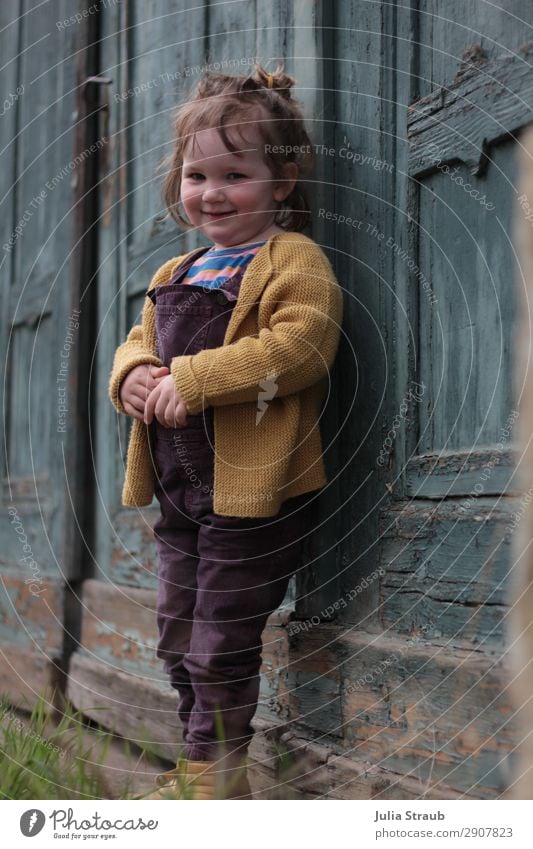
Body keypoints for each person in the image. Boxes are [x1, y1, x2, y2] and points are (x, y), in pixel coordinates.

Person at [108, 62, 343, 800]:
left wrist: (195, 380)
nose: (210, 192)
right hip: (180, 495)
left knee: (220, 639)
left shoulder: (290, 260)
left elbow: (300, 347)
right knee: (177, 634)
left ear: (282, 178)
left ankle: (216, 777)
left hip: (254, 497)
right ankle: (201, 767)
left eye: (232, 174)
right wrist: (136, 376)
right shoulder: (180, 266)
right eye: (195, 174)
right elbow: (137, 338)